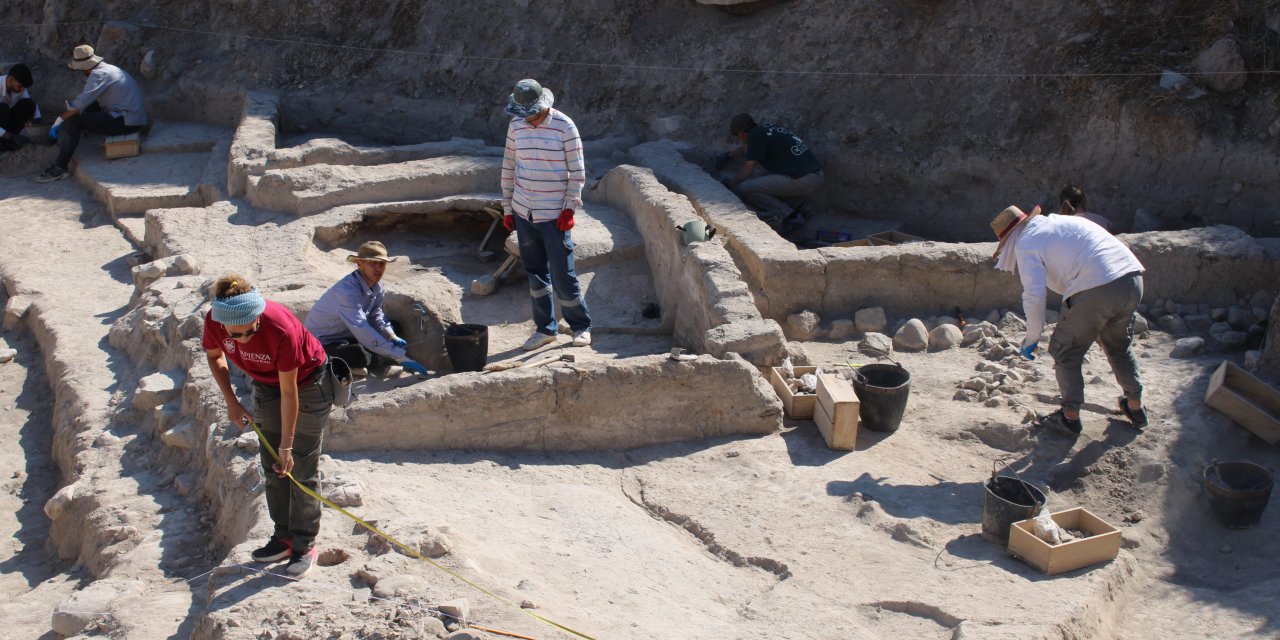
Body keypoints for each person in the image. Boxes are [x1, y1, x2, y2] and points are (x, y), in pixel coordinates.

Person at [202, 275, 331, 578]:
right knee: (272, 463)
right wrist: (231, 401)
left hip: (307, 384)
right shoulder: (215, 320)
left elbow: (290, 392)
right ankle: (283, 537)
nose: (246, 337)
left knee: (298, 463)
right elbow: (214, 355)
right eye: (239, 334)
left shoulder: (279, 327)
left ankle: (304, 544)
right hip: (267, 383)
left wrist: (288, 445)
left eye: (251, 329)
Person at [990, 205, 1149, 437]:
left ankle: (1070, 418)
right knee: (1118, 346)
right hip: (1132, 279)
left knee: (1065, 350)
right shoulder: (1061, 223)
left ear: (1009, 238)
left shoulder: (1026, 242)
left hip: (1097, 286)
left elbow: (1034, 296)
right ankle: (1135, 407)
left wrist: (1032, 337)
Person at [500, 78, 593, 351]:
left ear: (542, 106)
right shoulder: (516, 125)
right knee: (535, 273)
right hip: (523, 211)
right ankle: (545, 329)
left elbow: (577, 173)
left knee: (563, 273)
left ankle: (580, 326)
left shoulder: (565, 126)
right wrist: (508, 208)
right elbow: (508, 167)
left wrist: (569, 208)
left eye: (530, 113)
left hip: (554, 214)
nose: (526, 119)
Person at [304, 241, 428, 377]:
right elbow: (361, 327)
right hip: (324, 342)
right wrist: (400, 358)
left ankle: (377, 355)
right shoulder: (347, 291)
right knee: (358, 354)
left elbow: (375, 314)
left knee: (395, 327)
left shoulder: (377, 285)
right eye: (372, 263)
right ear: (359, 264)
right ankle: (373, 358)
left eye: (381, 263)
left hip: (349, 334)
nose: (378, 268)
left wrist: (391, 335)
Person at [37, 45, 147, 183]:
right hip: (133, 116)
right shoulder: (108, 68)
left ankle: (60, 167)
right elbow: (86, 102)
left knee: (74, 121)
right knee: (87, 109)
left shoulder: (98, 75)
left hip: (128, 121)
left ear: (83, 66)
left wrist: (58, 121)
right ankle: (75, 136)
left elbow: (78, 105)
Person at [720, 112, 823, 234]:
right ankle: (803, 207)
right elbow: (747, 149)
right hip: (814, 175)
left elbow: (748, 170)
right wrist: (728, 156)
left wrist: (730, 184)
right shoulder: (765, 129)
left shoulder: (754, 137)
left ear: (741, 134)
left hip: (803, 180)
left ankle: (791, 217)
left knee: (747, 187)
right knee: (762, 179)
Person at [1, 64, 39, 152]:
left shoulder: (19, 87)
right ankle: (5, 140)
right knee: (3, 109)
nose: (22, 90)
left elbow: (30, 102)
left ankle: (7, 142)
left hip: (4, 122)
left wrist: (38, 123)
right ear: (10, 80)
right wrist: (10, 136)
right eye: (20, 86)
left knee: (29, 105)